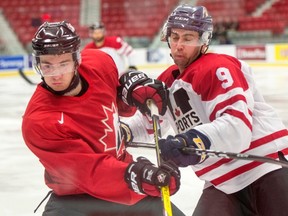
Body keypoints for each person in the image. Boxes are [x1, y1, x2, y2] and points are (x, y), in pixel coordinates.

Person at [118, 4, 288, 216]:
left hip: (263, 167)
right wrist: (121, 133)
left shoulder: (218, 67)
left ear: (203, 41)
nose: (179, 45)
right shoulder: (166, 82)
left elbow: (237, 128)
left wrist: (192, 141)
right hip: (220, 182)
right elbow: (149, 125)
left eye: (188, 38)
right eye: (175, 36)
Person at [21, 21, 185, 216]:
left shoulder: (100, 63)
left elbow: (115, 105)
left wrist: (130, 93)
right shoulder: (39, 121)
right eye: (47, 66)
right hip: (76, 201)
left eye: (63, 64)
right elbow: (90, 172)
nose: (56, 75)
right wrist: (137, 176)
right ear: (37, 64)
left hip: (126, 189)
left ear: (76, 60)